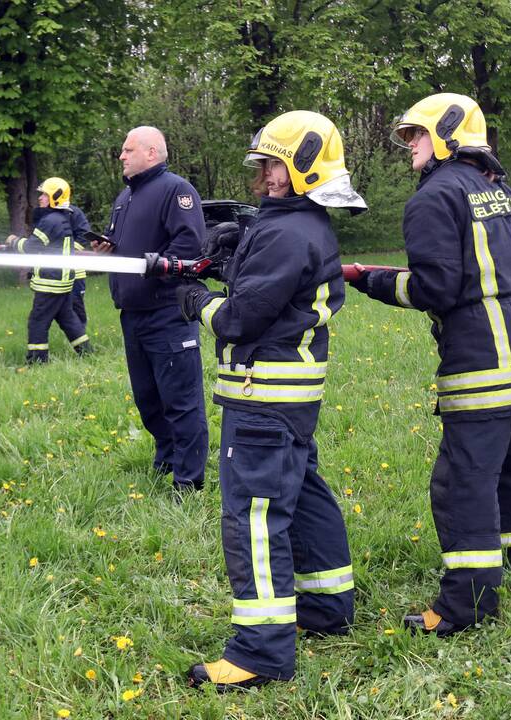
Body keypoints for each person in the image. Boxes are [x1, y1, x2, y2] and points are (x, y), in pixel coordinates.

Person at [176, 111, 364, 690]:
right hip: (290, 398)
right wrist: (234, 257)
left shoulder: (286, 232)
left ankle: (260, 651)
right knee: (302, 492)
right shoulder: (295, 226)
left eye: (269, 164)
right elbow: (269, 292)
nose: (261, 174)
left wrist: (195, 300)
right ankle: (327, 607)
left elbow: (239, 320)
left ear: (293, 171)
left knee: (254, 517)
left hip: (264, 397)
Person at [349, 93, 511, 636]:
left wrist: (374, 282)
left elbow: (435, 286)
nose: (409, 145)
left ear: (448, 135)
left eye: (416, 134)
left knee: (461, 482)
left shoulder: (432, 198)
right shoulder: (496, 189)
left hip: (476, 357)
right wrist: (493, 280)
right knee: (508, 463)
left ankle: (467, 606)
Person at [92, 126, 209, 493]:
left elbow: (191, 244)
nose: (122, 156)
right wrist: (107, 252)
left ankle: (188, 479)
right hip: (133, 315)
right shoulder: (124, 198)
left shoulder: (176, 191)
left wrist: (158, 267)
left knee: (181, 400)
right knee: (148, 397)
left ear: (152, 153)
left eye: (128, 150)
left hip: (167, 314)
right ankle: (166, 458)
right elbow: (128, 248)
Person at [8, 177, 93, 362]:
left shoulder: (50, 220)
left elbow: (31, 247)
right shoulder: (61, 217)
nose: (40, 198)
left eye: (45, 194)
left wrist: (14, 242)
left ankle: (37, 361)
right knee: (68, 319)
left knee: (37, 321)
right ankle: (87, 353)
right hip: (62, 282)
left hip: (50, 283)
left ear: (55, 197)